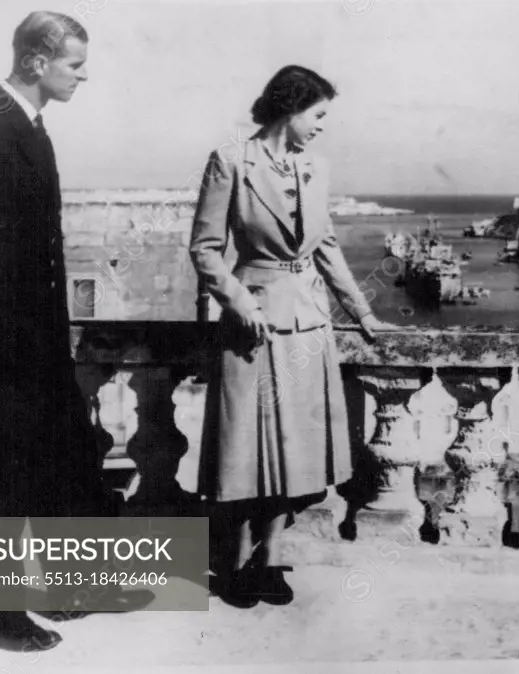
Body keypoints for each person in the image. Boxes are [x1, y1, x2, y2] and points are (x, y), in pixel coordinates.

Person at [0, 12, 121, 650]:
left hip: (30, 335)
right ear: (37, 63)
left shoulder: (23, 127)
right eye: (74, 64)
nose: (82, 76)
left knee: (49, 455)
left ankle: (56, 591)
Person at [190, 65, 398, 607]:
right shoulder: (230, 159)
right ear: (290, 107)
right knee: (245, 451)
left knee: (297, 453)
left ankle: (271, 558)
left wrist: (363, 314)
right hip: (252, 326)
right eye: (319, 114)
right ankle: (234, 564)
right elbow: (205, 250)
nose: (323, 126)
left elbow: (324, 247)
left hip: (308, 325)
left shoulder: (316, 167)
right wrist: (237, 301)